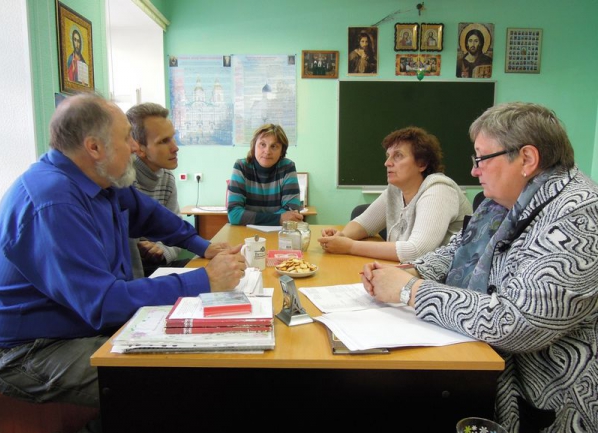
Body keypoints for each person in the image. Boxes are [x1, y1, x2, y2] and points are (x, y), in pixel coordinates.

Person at [0, 93, 246, 432]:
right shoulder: (53, 202)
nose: (135, 147)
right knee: (171, 385)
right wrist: (204, 281)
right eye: (127, 137)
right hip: (30, 350)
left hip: (79, 326)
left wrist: (203, 246)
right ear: (94, 147)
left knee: (201, 357)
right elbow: (104, 303)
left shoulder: (101, 179)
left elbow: (151, 216)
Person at [361, 102, 598, 433]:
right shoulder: (504, 200)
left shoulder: (578, 215)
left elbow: (518, 322)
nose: (474, 170)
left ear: (527, 159)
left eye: (483, 158)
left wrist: (409, 290)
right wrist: (416, 270)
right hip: (486, 366)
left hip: (551, 401)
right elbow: (460, 247)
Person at [318, 127, 472, 262]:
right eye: (388, 156)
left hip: (445, 283)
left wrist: (350, 246)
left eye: (398, 156)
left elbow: (416, 251)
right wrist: (341, 236)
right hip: (407, 272)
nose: (387, 163)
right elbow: (363, 224)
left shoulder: (439, 189)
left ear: (422, 164)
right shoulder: (395, 190)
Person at [126, 102, 191, 278]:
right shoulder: (123, 179)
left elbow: (177, 233)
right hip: (132, 276)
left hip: (157, 267)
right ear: (139, 148)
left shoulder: (166, 178)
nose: (175, 147)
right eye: (164, 141)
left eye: (173, 137)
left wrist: (161, 251)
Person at [227, 123, 303, 226]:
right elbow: (234, 215)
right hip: (247, 234)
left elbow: (291, 215)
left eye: (274, 146)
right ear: (254, 146)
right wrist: (279, 218)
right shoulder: (241, 167)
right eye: (262, 144)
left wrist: (250, 217)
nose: (267, 151)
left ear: (282, 151)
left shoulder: (287, 167)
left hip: (278, 234)